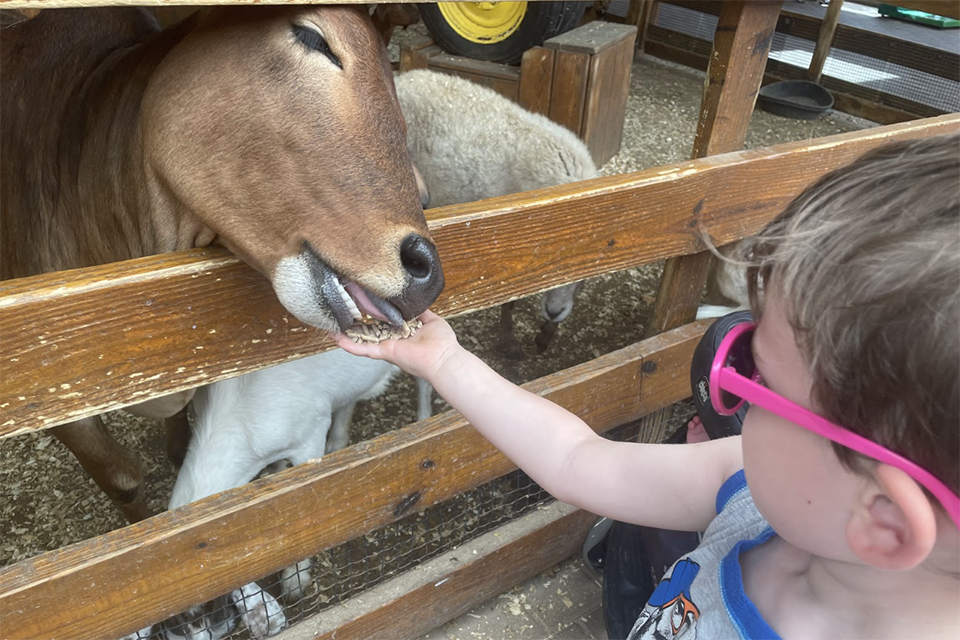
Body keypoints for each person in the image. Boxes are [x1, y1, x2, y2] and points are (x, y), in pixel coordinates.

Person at [337, 134, 960, 639]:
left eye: (758, 381)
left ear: (885, 520)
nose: (733, 390)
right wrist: (447, 362)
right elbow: (578, 458)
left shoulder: (773, 497)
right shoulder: (749, 496)